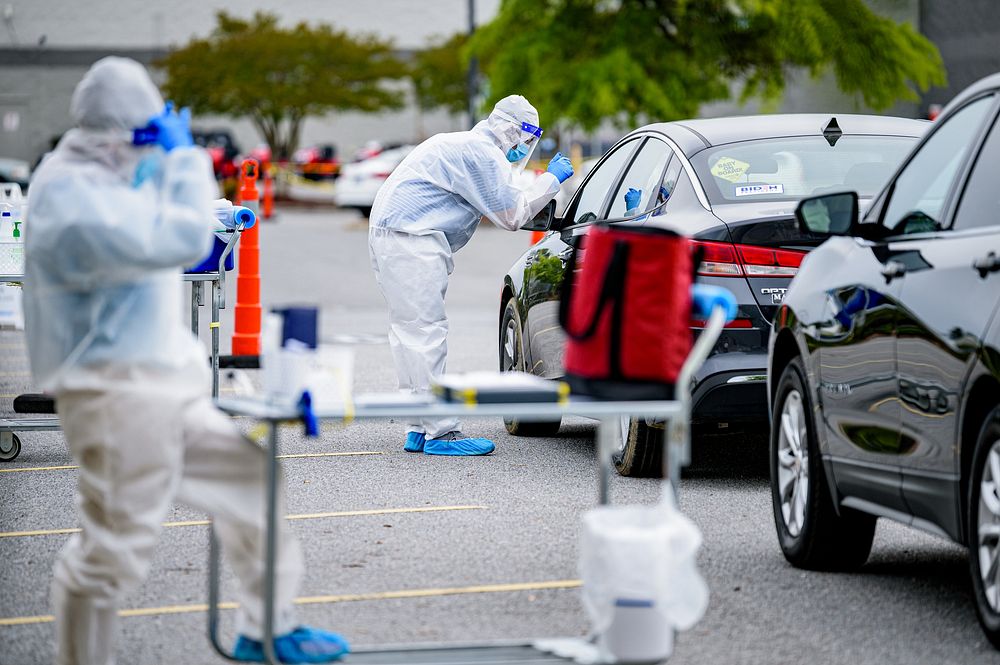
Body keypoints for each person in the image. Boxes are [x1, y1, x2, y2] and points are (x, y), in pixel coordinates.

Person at [24, 57, 348, 664]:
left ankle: (267, 628)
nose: (159, 148)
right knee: (110, 554)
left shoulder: (107, 172)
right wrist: (185, 160)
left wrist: (191, 184)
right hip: (113, 394)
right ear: (123, 135)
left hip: (162, 387)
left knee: (255, 482)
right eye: (151, 135)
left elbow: (170, 216)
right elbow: (176, 238)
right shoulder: (68, 193)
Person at [368, 95, 574, 456]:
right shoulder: (482, 154)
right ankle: (442, 433)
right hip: (412, 241)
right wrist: (552, 181)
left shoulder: (465, 146)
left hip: (396, 237)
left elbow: (503, 198)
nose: (525, 148)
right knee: (425, 333)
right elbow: (512, 215)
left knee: (408, 334)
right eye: (526, 140)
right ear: (512, 131)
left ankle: (418, 425)